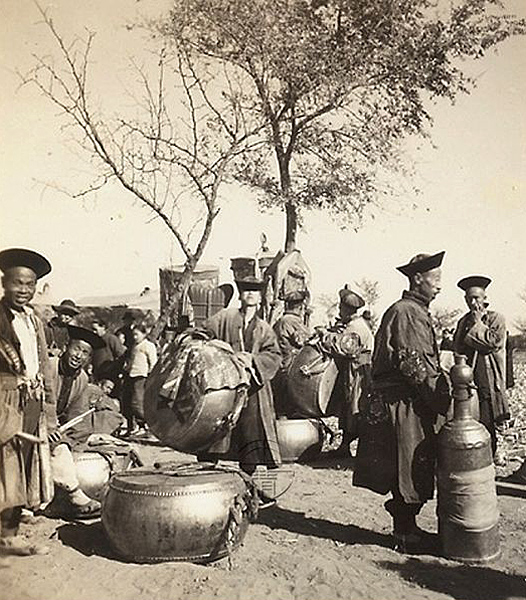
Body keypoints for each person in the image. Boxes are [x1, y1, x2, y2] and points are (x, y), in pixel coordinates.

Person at [354, 251, 451, 550]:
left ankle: (407, 529)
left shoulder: (410, 310)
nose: (439, 287)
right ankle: (406, 533)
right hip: (405, 403)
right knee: (409, 465)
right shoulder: (408, 312)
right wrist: (442, 398)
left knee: (409, 464)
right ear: (418, 278)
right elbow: (414, 364)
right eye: (435, 280)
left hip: (406, 399)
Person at [0, 247, 54, 556]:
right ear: (5, 283)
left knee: (26, 461)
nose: (24, 290)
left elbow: (44, 364)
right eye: (18, 283)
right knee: (7, 463)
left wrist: (48, 407)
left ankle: (13, 521)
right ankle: (8, 535)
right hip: (6, 398)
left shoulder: (34, 320)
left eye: (30, 284)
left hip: (32, 398)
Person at [201, 275, 282, 476]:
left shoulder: (264, 328)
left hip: (253, 389)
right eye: (246, 290)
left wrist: (253, 359)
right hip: (224, 384)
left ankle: (247, 479)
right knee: (216, 427)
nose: (250, 294)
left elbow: (274, 355)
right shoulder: (224, 318)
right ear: (240, 294)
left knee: (250, 432)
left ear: (261, 296)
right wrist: (219, 350)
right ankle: (208, 474)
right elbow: (202, 333)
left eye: (255, 290)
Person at [46, 326, 107, 518]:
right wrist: (48, 426)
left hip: (53, 426)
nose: (79, 356)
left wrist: (76, 439)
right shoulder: (47, 366)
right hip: (29, 419)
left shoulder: (82, 378)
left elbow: (75, 414)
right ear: (66, 347)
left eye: (85, 353)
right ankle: (75, 495)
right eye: (76, 349)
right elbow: (31, 401)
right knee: (59, 448)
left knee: (69, 446)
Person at [453, 275, 510, 457]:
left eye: (476, 298)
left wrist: (478, 323)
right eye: (469, 298)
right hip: (468, 378)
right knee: (469, 416)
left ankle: (488, 458)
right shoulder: (462, 322)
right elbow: (458, 347)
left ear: (485, 298)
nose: (472, 302)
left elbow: (490, 343)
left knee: (487, 419)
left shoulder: (496, 319)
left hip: (488, 377)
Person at [317, 285, 373, 457]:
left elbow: (341, 347)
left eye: (341, 308)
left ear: (347, 309)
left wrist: (325, 336)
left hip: (359, 372)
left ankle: (357, 450)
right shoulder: (353, 324)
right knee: (348, 408)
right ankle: (344, 448)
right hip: (355, 370)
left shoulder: (356, 327)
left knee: (355, 408)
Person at [272, 289, 310, 416]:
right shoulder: (291, 321)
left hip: (281, 366)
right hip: (289, 367)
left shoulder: (281, 320)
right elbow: (304, 341)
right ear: (300, 307)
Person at [122, 323, 157, 436]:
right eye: (133, 335)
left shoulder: (148, 345)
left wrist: (150, 377)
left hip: (141, 377)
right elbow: (131, 361)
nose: (134, 337)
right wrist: (126, 369)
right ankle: (132, 426)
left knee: (137, 402)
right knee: (127, 402)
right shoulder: (134, 346)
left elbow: (153, 362)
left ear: (144, 334)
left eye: (137, 334)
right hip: (131, 376)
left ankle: (144, 426)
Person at [91, 318, 126, 383]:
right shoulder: (94, 340)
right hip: (96, 374)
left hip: (109, 374)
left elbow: (121, 355)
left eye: (95, 330)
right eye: (92, 329)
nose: (94, 332)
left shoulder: (111, 339)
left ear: (103, 327)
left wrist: (115, 370)